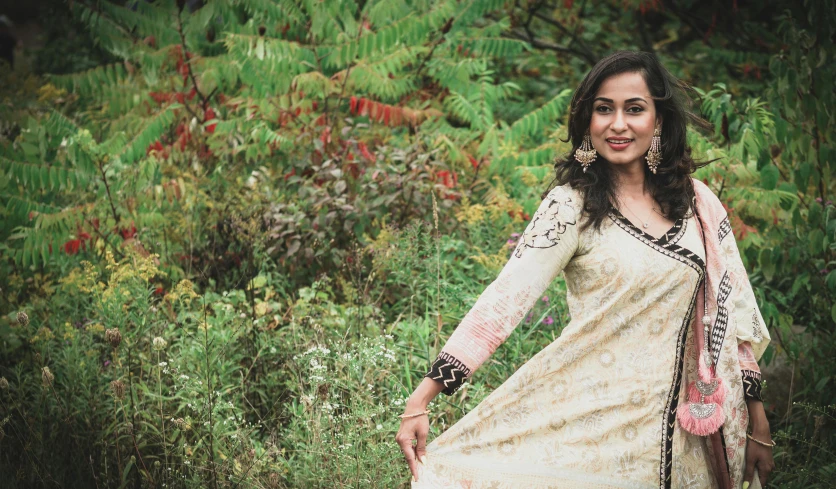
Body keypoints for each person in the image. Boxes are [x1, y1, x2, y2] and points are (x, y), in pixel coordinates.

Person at [396, 51, 775, 489]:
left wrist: (756, 422)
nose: (617, 124)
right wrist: (424, 396)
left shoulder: (698, 205)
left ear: (658, 120)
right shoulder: (570, 206)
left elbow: (735, 322)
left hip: (686, 445)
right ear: (587, 121)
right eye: (603, 109)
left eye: (634, 109)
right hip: (591, 435)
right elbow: (503, 303)